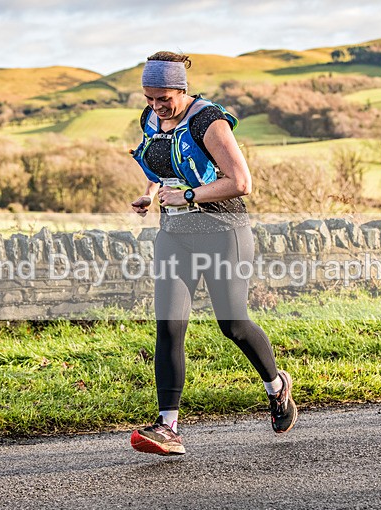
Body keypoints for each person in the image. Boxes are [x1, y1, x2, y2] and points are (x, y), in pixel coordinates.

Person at [127, 51, 297, 455]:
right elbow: (160, 164)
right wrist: (150, 194)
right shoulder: (150, 119)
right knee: (169, 326)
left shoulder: (209, 120)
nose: (156, 106)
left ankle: (277, 386)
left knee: (232, 324)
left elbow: (241, 182)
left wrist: (188, 195)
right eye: (149, 98)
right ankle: (168, 427)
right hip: (174, 234)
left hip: (222, 232)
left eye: (164, 98)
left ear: (181, 90)